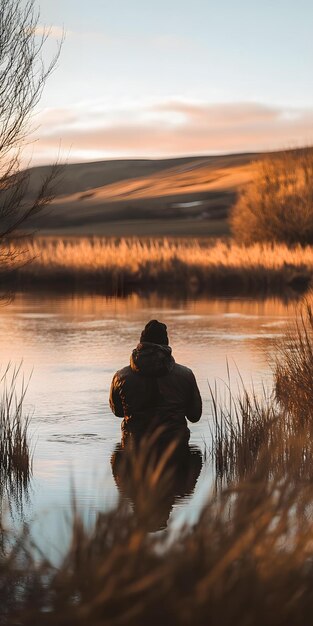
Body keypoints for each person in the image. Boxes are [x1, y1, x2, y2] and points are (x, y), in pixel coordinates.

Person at [109, 319, 202, 442]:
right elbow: (194, 416)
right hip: (175, 446)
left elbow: (118, 412)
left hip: (134, 448)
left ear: (141, 344)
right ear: (166, 345)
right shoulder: (185, 375)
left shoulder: (120, 377)